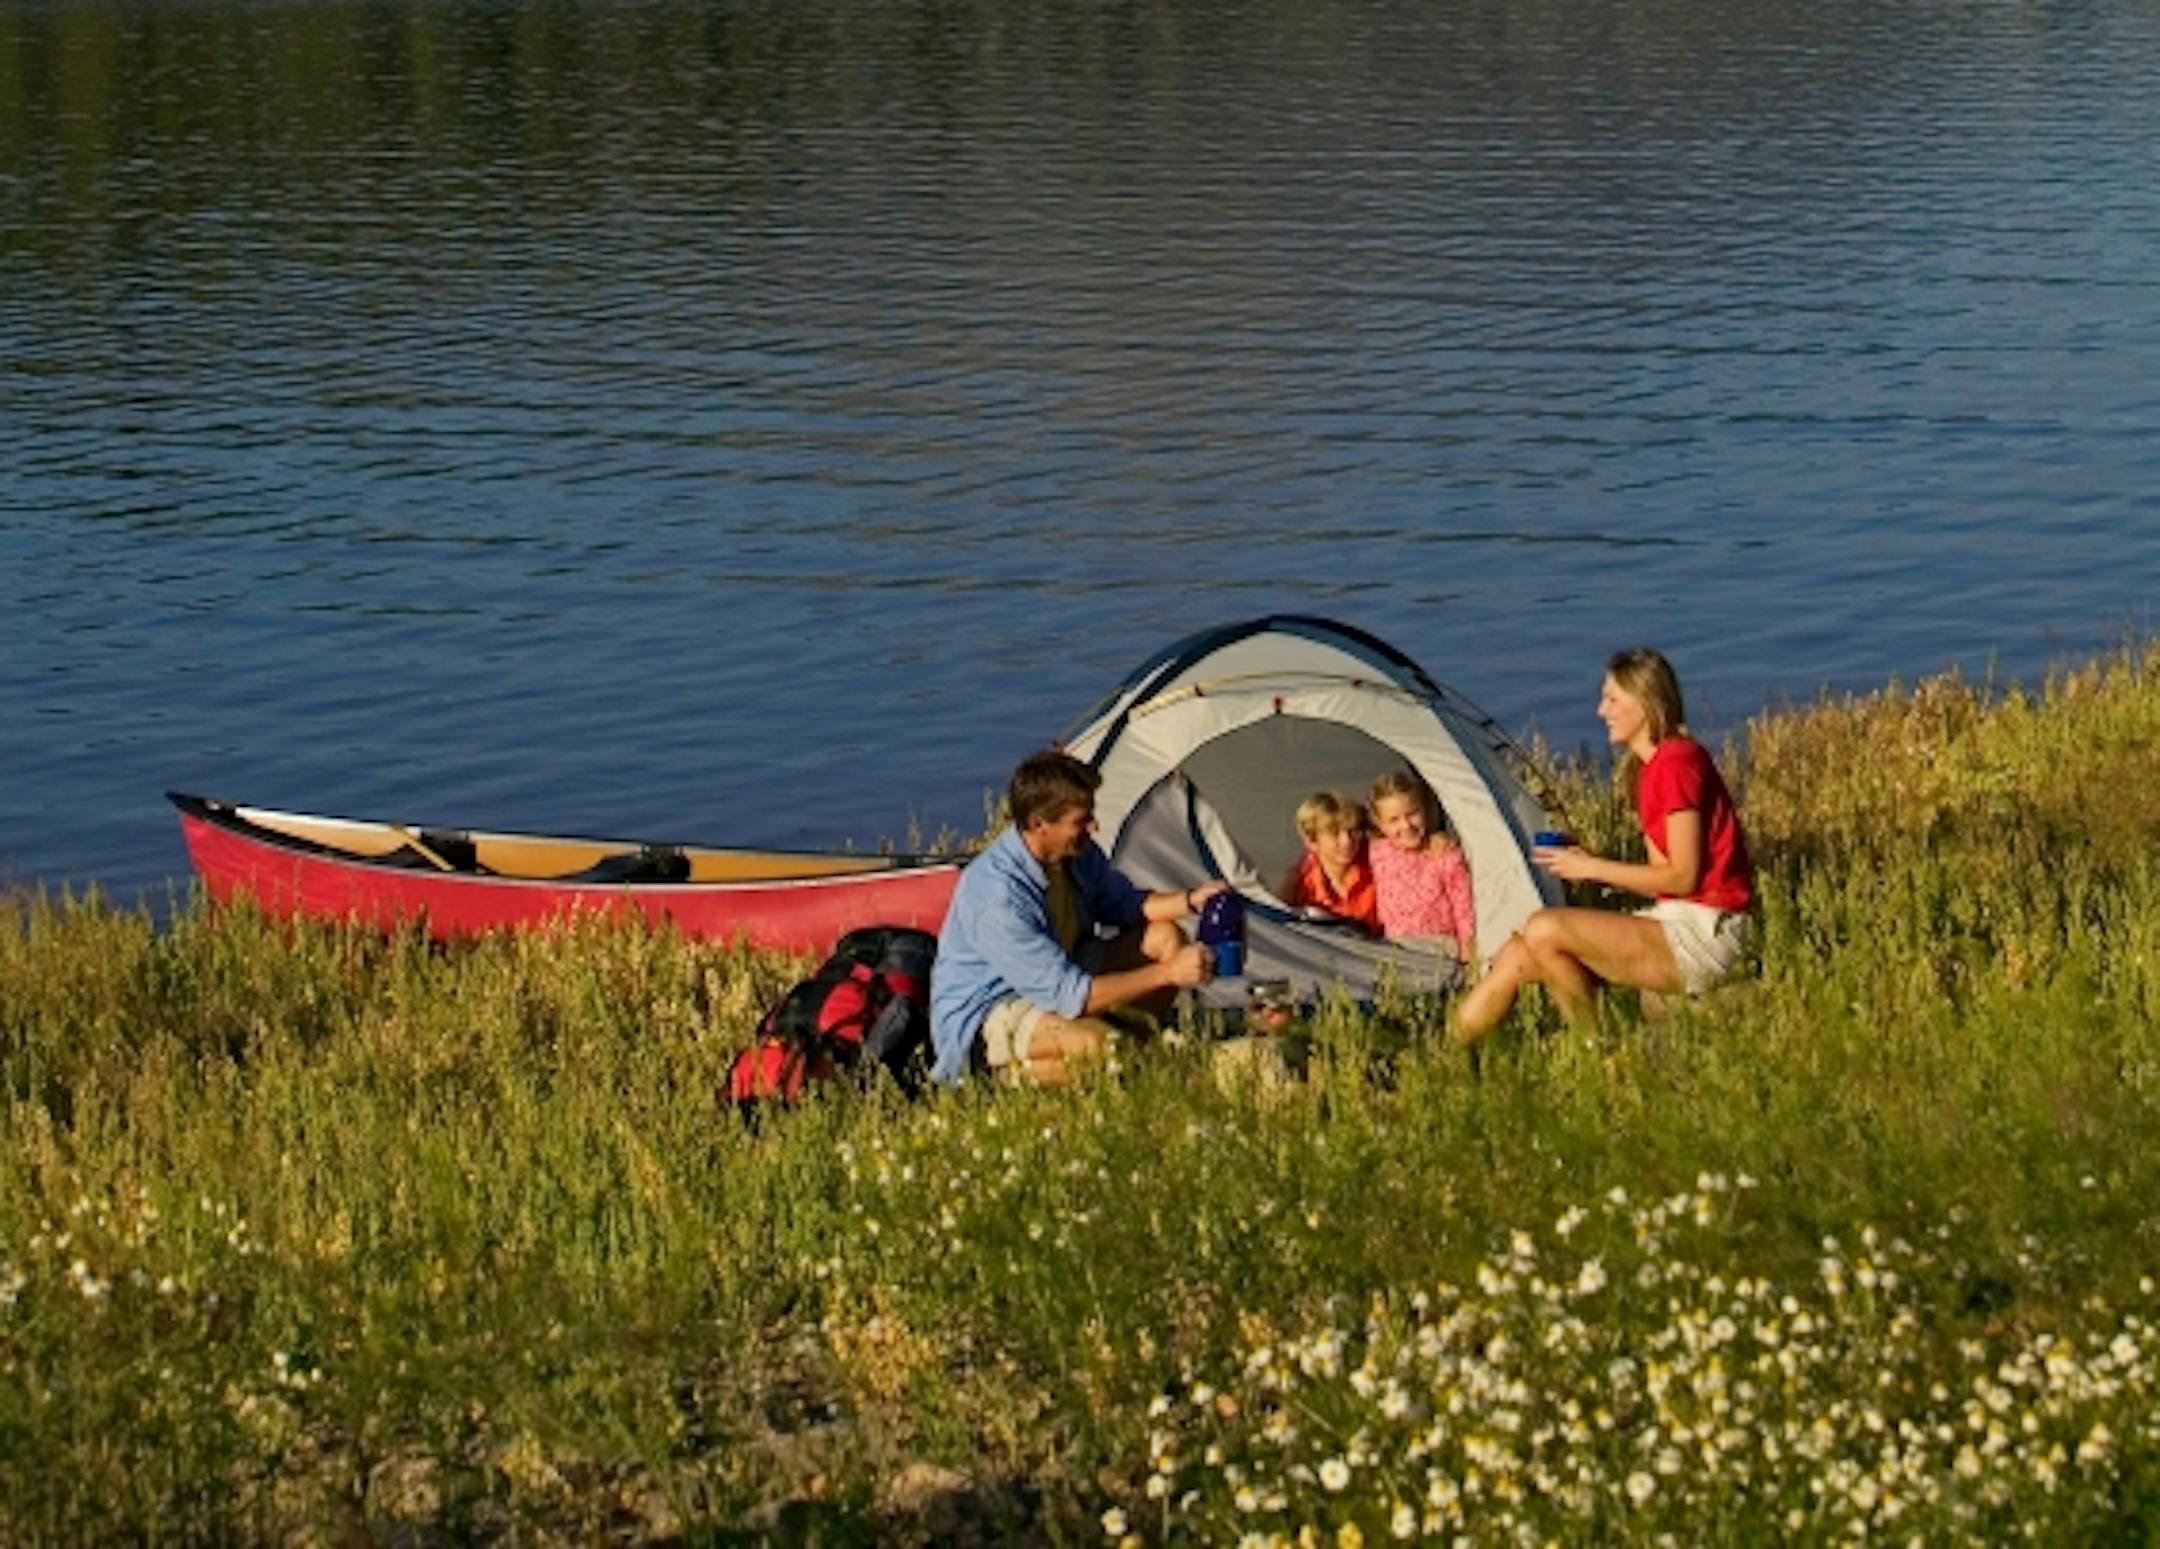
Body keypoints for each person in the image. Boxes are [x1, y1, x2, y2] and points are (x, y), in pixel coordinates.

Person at [1453, 649, 1753, 1041]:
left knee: (1544, 927)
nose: (1600, 710)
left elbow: (1683, 876)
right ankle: (1448, 1051)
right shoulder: (1647, 771)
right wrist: (1590, 862)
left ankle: (1600, 1053)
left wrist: (1592, 870)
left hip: (1709, 932)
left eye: (1612, 699)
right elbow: (1661, 879)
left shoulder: (1678, 762)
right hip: (1677, 918)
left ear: (1645, 704)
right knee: (1519, 952)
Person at [930, 750, 1227, 1086]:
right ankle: (991, 1081)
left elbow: (1126, 905)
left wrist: (1193, 900)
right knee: (1100, 1048)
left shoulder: (1075, 854)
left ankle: (1134, 1053)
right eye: (1081, 820)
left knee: (1166, 937)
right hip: (996, 1007)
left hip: (1064, 969)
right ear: (1040, 824)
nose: (1094, 827)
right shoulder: (998, 898)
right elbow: (1070, 995)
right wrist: (1168, 973)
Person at [1368, 770, 1476, 952]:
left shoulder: (1445, 855)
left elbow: (1463, 909)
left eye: (1412, 814)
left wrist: (1467, 951)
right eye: (1394, 820)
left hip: (1440, 945)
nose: (1406, 825)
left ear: (1424, 810)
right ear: (1380, 824)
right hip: (1395, 946)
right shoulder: (1377, 851)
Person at [1277, 791, 1381, 932]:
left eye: (1353, 831)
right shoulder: (1301, 883)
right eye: (1334, 833)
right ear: (1312, 841)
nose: (1347, 841)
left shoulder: (1379, 865)